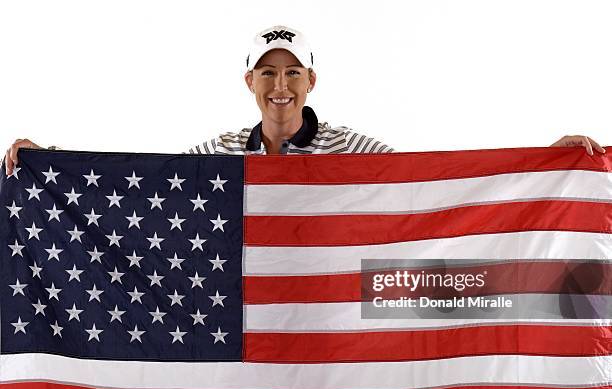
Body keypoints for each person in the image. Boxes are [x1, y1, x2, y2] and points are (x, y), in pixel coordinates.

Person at [3, 25, 606, 173]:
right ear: (250, 84)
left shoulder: (352, 147)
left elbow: (434, 180)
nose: (281, 85)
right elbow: (144, 179)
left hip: (329, 322)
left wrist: (542, 163)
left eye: (293, 72)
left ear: (311, 82)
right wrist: (50, 162)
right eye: (267, 73)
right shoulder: (217, 153)